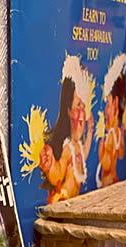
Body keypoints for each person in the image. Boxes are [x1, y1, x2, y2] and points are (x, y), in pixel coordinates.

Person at [39, 55, 94, 203]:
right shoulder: (68, 148)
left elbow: (84, 154)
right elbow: (58, 173)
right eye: (78, 105)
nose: (82, 112)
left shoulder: (78, 147)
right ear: (68, 110)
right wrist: (51, 166)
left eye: (83, 105)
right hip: (62, 202)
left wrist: (89, 133)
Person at [97, 54, 126, 187]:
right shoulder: (116, 133)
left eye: (107, 103)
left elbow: (110, 162)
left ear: (115, 104)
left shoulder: (112, 135)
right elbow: (120, 154)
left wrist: (102, 156)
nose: (105, 109)